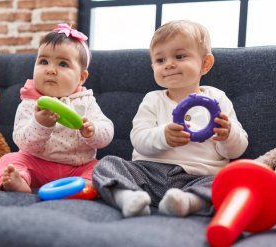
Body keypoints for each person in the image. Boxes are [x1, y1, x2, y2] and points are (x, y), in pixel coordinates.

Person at [92, 20, 248, 217]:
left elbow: (237, 149)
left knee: (228, 181)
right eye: (160, 60)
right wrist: (163, 136)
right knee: (107, 163)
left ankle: (187, 202)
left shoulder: (217, 98)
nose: (169, 65)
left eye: (180, 56)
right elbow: (139, 140)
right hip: (147, 172)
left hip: (197, 176)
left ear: (205, 64)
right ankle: (128, 197)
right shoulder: (153, 100)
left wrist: (227, 135)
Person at [0, 23, 114, 194]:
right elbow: (22, 141)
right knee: (9, 160)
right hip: (37, 163)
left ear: (81, 77)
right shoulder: (30, 103)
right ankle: (19, 181)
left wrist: (93, 131)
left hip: (78, 167)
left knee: (104, 168)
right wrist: (40, 124)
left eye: (63, 64)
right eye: (43, 61)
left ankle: (83, 186)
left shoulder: (86, 101)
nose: (50, 70)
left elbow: (107, 131)